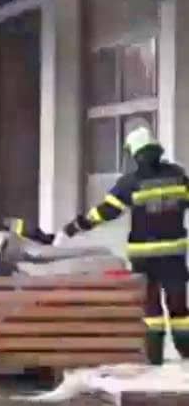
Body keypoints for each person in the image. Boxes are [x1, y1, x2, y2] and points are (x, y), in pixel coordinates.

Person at [61, 127, 189, 365]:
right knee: (180, 310)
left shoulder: (131, 182)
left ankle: (155, 362)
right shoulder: (178, 175)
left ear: (135, 154)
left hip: (144, 257)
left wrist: (75, 227)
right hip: (175, 255)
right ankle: (187, 360)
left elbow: (105, 211)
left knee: (151, 311)